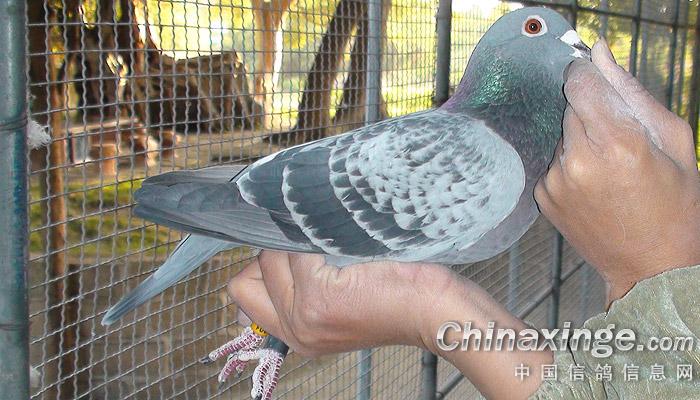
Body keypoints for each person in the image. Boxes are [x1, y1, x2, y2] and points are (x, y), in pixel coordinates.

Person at [226, 39, 700, 399]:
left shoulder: (492, 173)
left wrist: (653, 272)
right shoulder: (474, 157)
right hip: (293, 197)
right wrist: (657, 272)